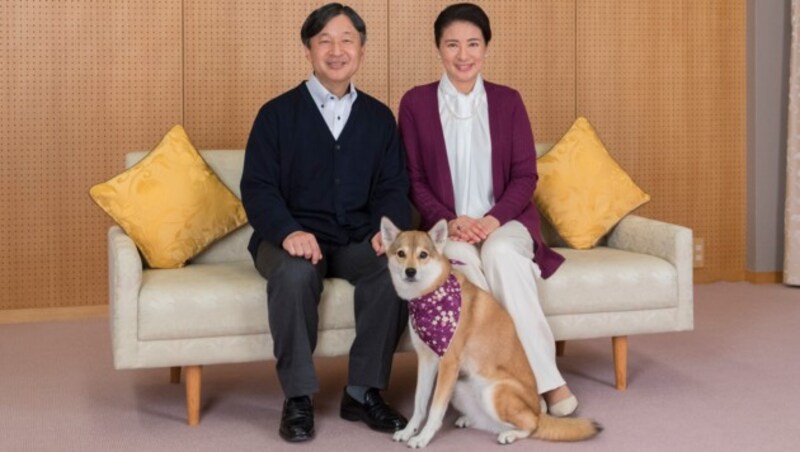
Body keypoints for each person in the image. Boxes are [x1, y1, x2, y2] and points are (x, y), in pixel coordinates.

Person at [397, 3, 578, 417]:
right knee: (461, 268)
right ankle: (494, 380)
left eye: (473, 44)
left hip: (505, 222)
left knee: (499, 254)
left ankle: (545, 382)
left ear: (486, 48)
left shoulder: (508, 101)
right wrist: (450, 221)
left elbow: (524, 177)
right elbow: (413, 179)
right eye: (453, 45)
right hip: (448, 230)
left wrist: (492, 220)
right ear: (438, 49)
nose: (464, 55)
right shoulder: (415, 104)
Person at [240, 3, 410, 443]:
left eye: (347, 40)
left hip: (355, 238)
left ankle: (362, 392)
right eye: (325, 41)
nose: (337, 50)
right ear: (308, 49)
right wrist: (289, 231)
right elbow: (258, 188)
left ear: (362, 50)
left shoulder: (378, 117)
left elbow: (393, 186)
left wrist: (382, 230)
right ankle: (297, 398)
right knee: (295, 276)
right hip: (289, 238)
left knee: (393, 273)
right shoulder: (276, 115)